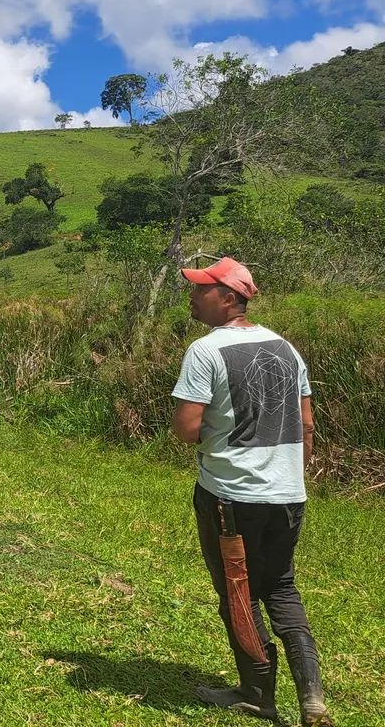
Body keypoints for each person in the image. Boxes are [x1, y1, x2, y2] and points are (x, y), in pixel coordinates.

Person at [170, 257, 332, 726]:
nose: (193, 296)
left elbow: (186, 428)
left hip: (229, 496)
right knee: (282, 588)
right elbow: (306, 423)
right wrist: (288, 476)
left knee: (238, 594)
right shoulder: (286, 348)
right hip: (287, 494)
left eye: (202, 289)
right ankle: (312, 699)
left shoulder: (206, 351)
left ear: (229, 298)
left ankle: (257, 694)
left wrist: (218, 444)